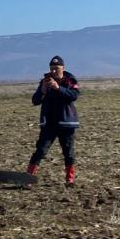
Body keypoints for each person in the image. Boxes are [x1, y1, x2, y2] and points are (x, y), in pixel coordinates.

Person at [28, 55, 81, 184]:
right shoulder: (44, 82)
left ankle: (70, 178)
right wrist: (43, 90)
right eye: (51, 68)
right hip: (49, 123)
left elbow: (73, 96)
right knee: (41, 150)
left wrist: (58, 88)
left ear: (63, 68)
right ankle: (29, 177)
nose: (53, 71)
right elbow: (35, 101)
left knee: (68, 152)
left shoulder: (70, 80)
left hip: (66, 122)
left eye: (56, 68)